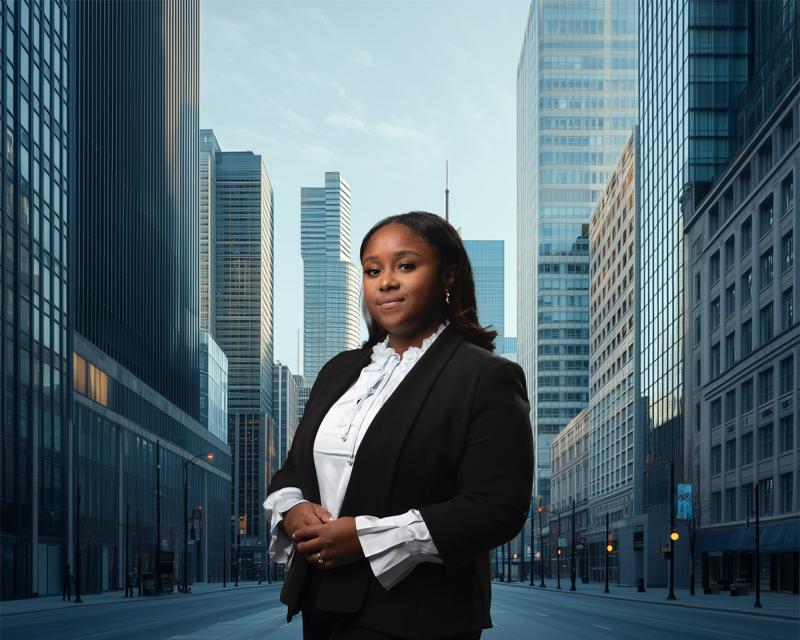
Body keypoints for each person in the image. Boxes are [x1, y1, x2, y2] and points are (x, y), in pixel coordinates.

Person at [264, 212, 533, 639]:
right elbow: (293, 469)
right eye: (373, 271)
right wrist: (292, 510)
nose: (385, 282)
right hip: (321, 604)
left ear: (449, 274)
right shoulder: (339, 371)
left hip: (419, 616)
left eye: (405, 266)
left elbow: (497, 507)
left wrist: (366, 538)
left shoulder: (486, 376)